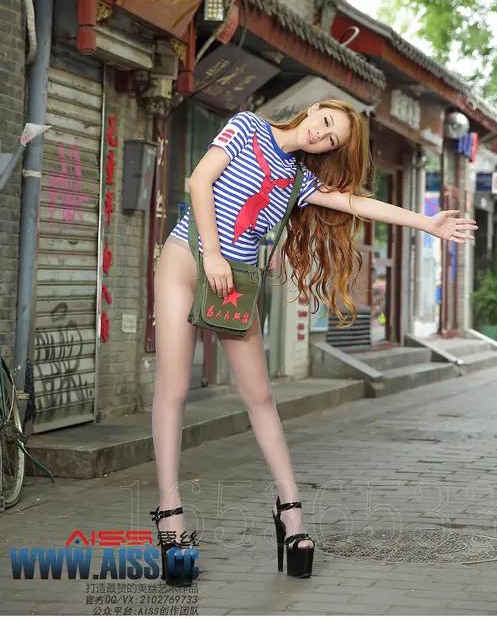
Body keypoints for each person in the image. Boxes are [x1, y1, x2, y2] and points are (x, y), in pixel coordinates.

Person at [151, 100, 477, 584]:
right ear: (312, 109)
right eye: (323, 123)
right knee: (174, 389)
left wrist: (427, 223)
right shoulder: (247, 127)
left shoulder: (299, 182)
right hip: (187, 259)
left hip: (236, 282)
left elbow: (357, 203)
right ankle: (170, 517)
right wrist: (213, 255)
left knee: (261, 397)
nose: (320, 136)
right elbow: (199, 182)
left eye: (331, 139)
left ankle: (291, 513)